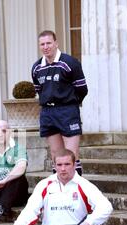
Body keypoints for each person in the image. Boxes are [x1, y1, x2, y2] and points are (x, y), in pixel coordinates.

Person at [32, 30, 88, 175]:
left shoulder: (70, 63)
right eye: (42, 44)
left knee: (71, 154)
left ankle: (75, 191)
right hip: (48, 113)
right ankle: (58, 191)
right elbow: (40, 90)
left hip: (67, 111)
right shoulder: (37, 67)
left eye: (49, 43)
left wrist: (70, 102)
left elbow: (82, 89)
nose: (46, 47)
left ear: (56, 43)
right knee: (56, 155)